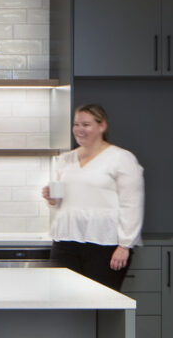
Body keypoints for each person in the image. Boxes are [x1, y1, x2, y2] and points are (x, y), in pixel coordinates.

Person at [43, 103, 144, 288]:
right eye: (76, 124)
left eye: (86, 124)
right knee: (62, 299)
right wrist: (52, 199)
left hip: (105, 244)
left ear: (102, 126)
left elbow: (132, 204)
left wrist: (125, 245)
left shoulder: (122, 158)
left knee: (99, 305)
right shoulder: (66, 159)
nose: (79, 129)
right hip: (66, 240)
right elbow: (63, 202)